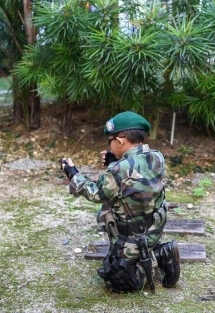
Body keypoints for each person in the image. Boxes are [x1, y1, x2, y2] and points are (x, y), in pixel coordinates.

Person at [60, 111, 180, 293]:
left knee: (120, 280)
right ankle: (151, 250)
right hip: (153, 228)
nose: (109, 145)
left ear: (121, 141)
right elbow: (136, 175)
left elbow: (95, 194)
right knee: (108, 228)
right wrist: (117, 159)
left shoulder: (117, 170)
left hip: (134, 236)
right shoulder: (157, 157)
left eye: (110, 140)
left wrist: (72, 173)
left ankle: (161, 255)